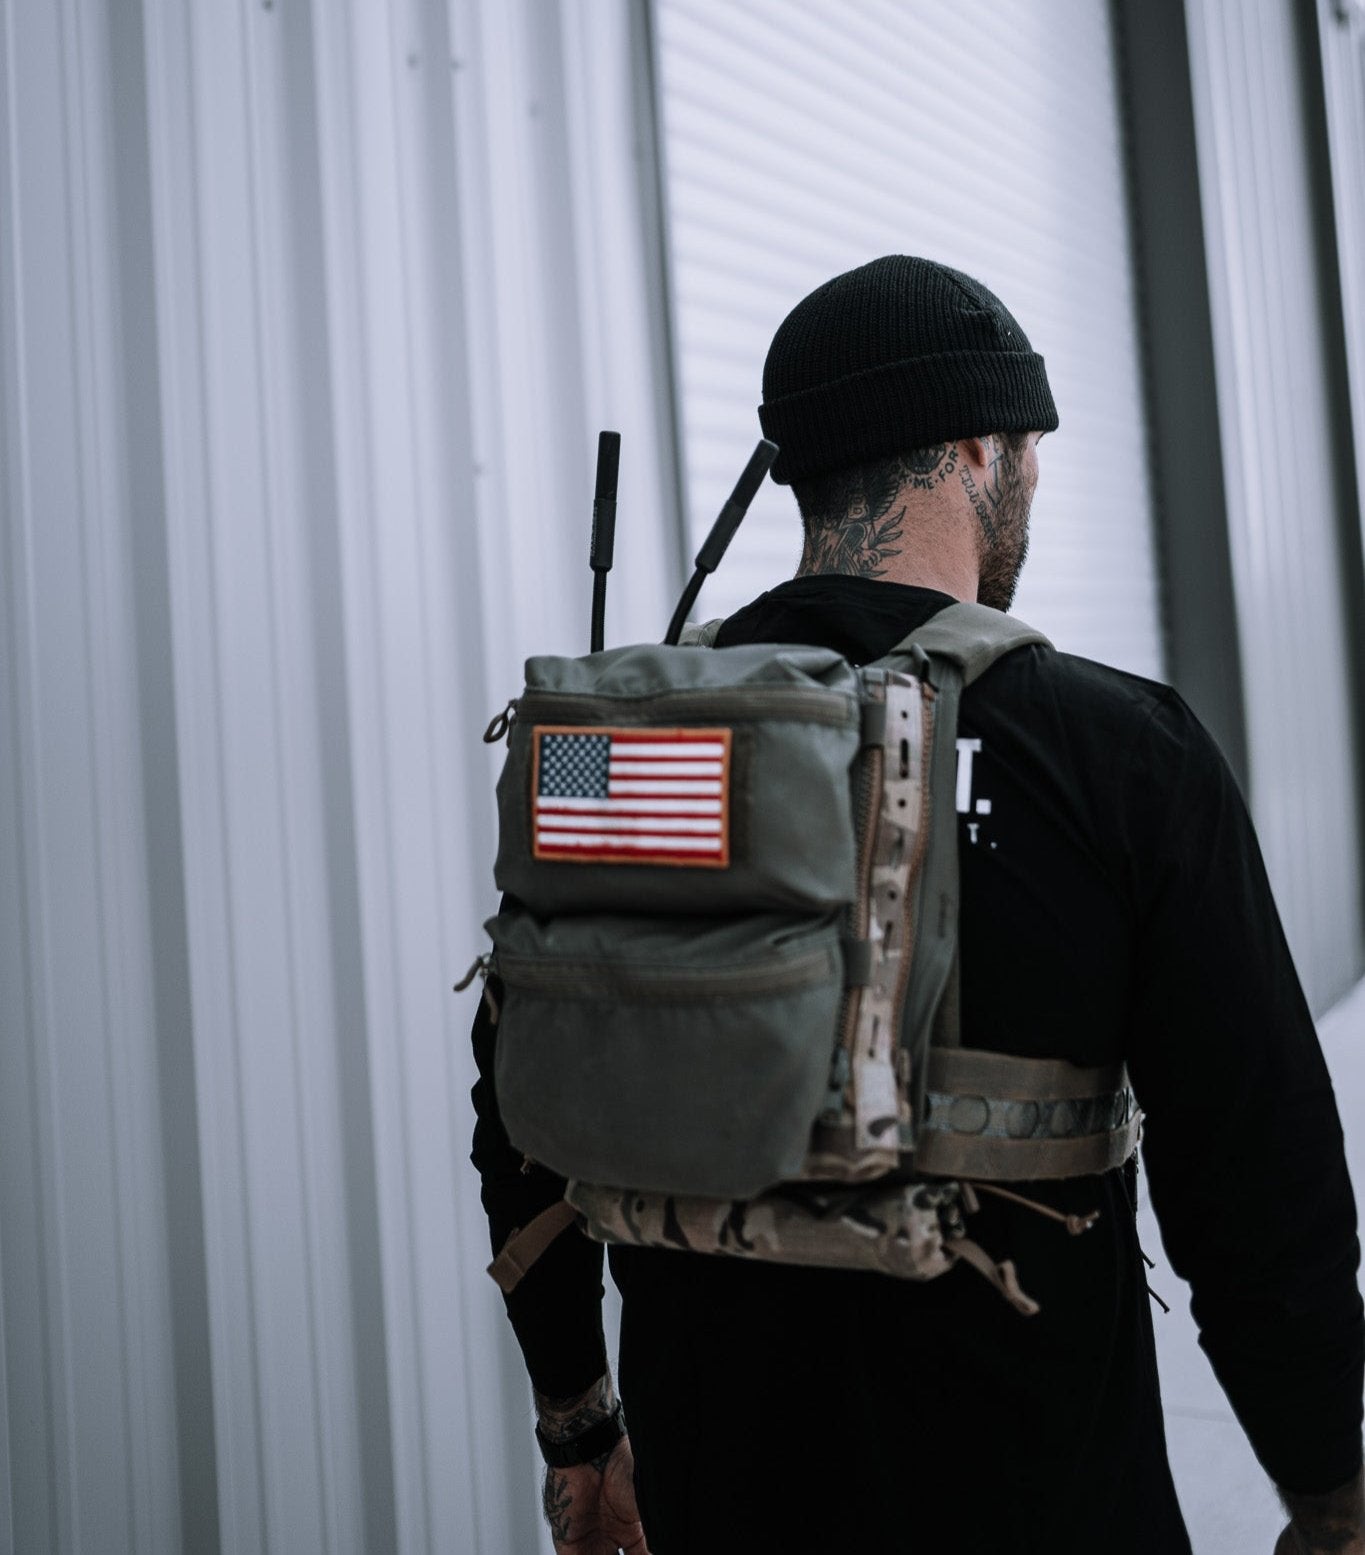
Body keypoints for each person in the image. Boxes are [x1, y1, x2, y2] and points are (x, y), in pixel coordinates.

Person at [470, 255, 1364, 1554]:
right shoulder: (1117, 751)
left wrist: (580, 1429)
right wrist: (1328, 1493)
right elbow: (1256, 1181)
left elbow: (524, 1109)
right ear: (977, 449)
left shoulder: (628, 746)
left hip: (723, 1504)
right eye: (1029, 452)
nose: (1032, 482)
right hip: (1048, 1511)